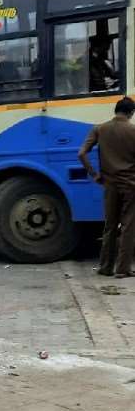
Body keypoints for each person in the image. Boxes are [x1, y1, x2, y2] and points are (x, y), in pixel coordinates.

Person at [79, 96, 135, 277]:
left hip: (109, 185)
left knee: (110, 226)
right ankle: (123, 269)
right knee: (128, 227)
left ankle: (105, 267)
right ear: (131, 113)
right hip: (130, 186)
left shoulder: (100, 129)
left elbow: (82, 154)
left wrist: (94, 174)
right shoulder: (133, 130)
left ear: (116, 110)